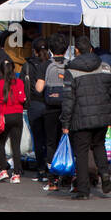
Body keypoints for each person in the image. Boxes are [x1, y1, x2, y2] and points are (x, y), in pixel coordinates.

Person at [60, 36, 111, 200]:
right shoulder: (105, 66)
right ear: (91, 49)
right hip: (102, 115)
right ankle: (104, 174)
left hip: (80, 118)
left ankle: (83, 190)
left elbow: (68, 100)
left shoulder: (71, 70)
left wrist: (65, 122)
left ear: (76, 51)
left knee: (82, 153)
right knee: (98, 145)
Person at [38, 33, 71, 191]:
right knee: (66, 142)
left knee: (51, 143)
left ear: (50, 48)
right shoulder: (70, 64)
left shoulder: (45, 65)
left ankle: (52, 180)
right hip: (67, 108)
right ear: (66, 49)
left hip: (50, 109)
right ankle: (67, 177)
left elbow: (39, 88)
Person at [22, 37, 50, 181]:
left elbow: (22, 84)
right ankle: (52, 168)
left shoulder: (27, 65)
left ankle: (41, 170)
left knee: (38, 140)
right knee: (51, 139)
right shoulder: (51, 64)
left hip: (34, 105)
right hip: (51, 105)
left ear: (34, 50)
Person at [0, 58, 26, 182]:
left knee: (1, 143)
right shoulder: (19, 83)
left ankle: (3, 170)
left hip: (4, 116)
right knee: (16, 145)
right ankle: (16, 174)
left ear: (1, 72)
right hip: (17, 115)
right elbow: (23, 99)